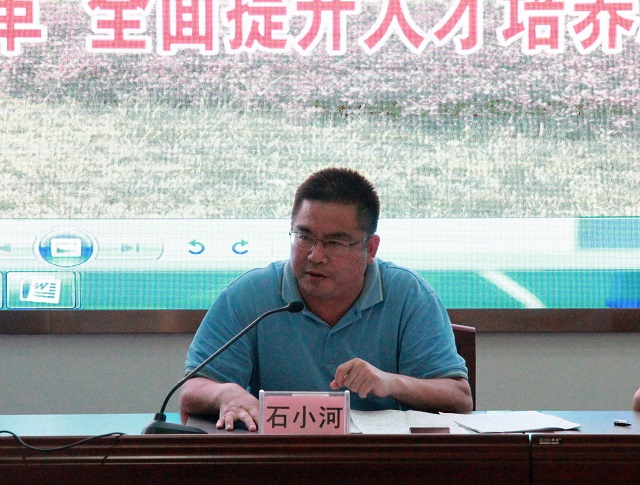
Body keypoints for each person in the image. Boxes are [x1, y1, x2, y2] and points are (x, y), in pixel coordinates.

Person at [179, 167, 473, 431]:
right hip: (280, 459)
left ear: (370, 249)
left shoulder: (409, 295)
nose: (315, 255)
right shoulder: (250, 294)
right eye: (304, 237)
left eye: (334, 242)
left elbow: (459, 397)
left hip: (379, 461)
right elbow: (192, 390)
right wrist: (224, 393)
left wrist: (391, 382)